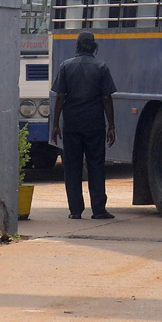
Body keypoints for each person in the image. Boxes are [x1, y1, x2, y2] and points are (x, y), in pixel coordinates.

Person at [51, 31, 117, 220]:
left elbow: (60, 97)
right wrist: (111, 126)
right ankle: (98, 209)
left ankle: (75, 210)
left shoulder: (66, 66)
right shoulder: (101, 67)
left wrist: (56, 124)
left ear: (77, 46)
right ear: (94, 46)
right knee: (96, 165)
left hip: (71, 124)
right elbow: (106, 98)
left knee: (72, 166)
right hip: (95, 125)